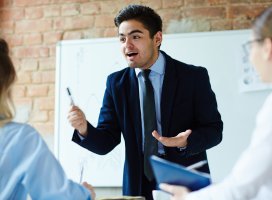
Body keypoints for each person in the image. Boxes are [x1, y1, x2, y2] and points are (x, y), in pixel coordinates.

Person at [68, 4, 223, 200]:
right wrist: (83, 128)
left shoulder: (193, 77)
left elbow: (214, 131)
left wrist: (186, 141)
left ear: (157, 38)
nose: (127, 45)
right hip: (138, 183)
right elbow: (107, 141)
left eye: (135, 37)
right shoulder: (116, 83)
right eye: (122, 39)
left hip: (185, 179)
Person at [160, 2, 272, 200]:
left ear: (268, 47)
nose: (250, 57)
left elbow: (241, 189)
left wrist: (187, 198)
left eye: (251, 46)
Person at [0, 38, 96, 200]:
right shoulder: (19, 138)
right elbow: (58, 196)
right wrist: (85, 194)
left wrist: (84, 129)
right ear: (6, 84)